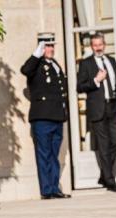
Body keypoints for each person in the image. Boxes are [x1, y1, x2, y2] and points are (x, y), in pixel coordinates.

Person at [76, 34, 116, 192]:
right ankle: (110, 181)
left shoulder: (111, 61)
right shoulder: (86, 64)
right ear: (91, 47)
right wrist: (96, 80)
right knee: (104, 146)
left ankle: (104, 175)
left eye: (100, 44)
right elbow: (79, 87)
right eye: (95, 45)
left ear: (104, 45)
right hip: (98, 109)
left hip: (113, 107)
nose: (98, 47)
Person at [20, 32, 71, 200]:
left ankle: (54, 187)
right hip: (42, 118)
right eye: (46, 46)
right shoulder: (36, 65)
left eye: (51, 45)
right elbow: (25, 70)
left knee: (54, 155)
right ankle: (46, 190)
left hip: (57, 117)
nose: (50, 49)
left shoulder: (55, 64)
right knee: (43, 155)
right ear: (41, 47)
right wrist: (37, 53)